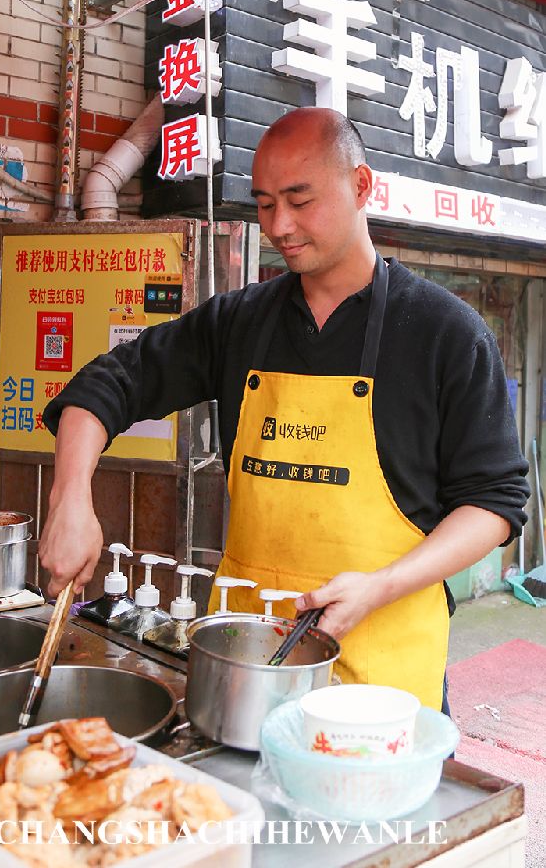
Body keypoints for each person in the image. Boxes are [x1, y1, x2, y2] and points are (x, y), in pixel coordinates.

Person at [40, 107, 529, 710]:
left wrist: (380, 587)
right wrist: (70, 498)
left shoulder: (443, 332)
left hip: (384, 684)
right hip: (245, 669)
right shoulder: (238, 322)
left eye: (300, 200)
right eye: (266, 203)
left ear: (361, 185)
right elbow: (106, 385)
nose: (281, 224)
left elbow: (494, 504)